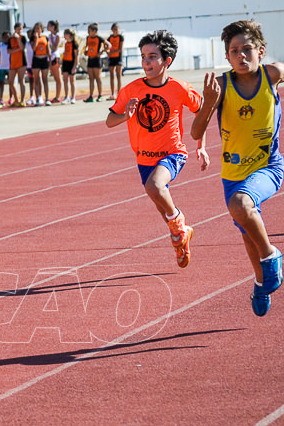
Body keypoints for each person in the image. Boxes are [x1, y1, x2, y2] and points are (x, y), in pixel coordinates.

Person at [190, 20, 284, 316]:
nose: (242, 55)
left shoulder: (274, 74)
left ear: (261, 51)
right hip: (233, 173)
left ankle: (272, 257)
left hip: (268, 165)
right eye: (234, 51)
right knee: (246, 232)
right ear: (227, 57)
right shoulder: (220, 85)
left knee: (241, 204)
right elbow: (195, 132)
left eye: (247, 49)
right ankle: (260, 281)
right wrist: (208, 103)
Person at [107, 30, 207, 270]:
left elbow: (201, 113)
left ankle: (179, 222)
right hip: (144, 158)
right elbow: (110, 121)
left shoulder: (179, 88)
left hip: (173, 153)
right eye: (143, 57)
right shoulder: (131, 90)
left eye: (152, 56)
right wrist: (125, 115)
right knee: (162, 207)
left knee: (155, 187)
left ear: (167, 61)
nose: (146, 62)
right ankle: (182, 237)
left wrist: (201, 146)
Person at [84, 23, 109, 102]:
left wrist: (102, 52)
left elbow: (108, 45)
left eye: (89, 30)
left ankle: (100, 95)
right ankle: (91, 96)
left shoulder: (99, 38)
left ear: (94, 31)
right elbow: (87, 47)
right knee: (91, 79)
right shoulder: (88, 38)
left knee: (98, 78)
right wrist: (86, 52)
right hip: (90, 59)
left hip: (97, 60)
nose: (88, 32)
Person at [107, 22, 125, 99]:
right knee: (111, 76)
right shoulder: (109, 38)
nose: (115, 31)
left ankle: (119, 93)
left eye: (117, 29)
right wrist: (107, 51)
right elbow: (106, 46)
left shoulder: (121, 37)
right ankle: (112, 93)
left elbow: (120, 49)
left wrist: (111, 52)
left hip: (118, 58)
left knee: (118, 75)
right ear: (112, 30)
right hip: (111, 58)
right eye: (114, 29)